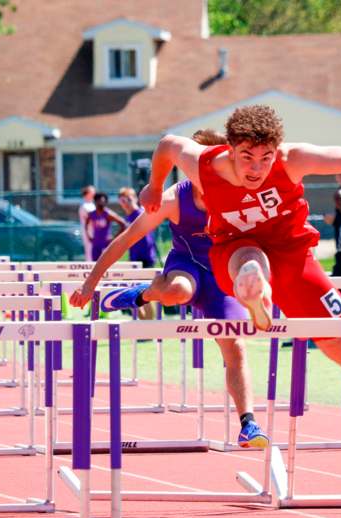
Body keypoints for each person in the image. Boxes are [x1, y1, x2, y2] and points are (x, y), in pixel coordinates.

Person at [140, 105, 341, 371]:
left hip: (292, 255)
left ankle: (259, 293)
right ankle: (257, 291)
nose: (256, 168)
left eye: (265, 158)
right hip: (233, 251)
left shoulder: (290, 159)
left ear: (275, 152)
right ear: (230, 149)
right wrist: (154, 187)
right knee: (250, 257)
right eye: (247, 157)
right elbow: (168, 145)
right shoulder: (204, 165)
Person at [70, 129, 268, 448]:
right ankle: (145, 293)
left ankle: (249, 424)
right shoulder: (175, 197)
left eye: (218, 165)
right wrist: (91, 283)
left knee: (235, 346)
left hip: (222, 274)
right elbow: (126, 239)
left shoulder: (240, 192)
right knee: (178, 292)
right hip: (186, 267)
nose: (213, 173)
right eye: (203, 165)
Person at [117, 187, 158, 267]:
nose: (126, 203)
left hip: (145, 257)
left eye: (129, 199)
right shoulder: (128, 217)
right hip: (135, 257)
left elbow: (147, 238)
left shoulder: (141, 213)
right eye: (123, 201)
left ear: (135, 199)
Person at [85, 192, 127, 261]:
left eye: (103, 201)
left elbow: (123, 224)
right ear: (95, 202)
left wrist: (114, 238)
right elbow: (86, 224)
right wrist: (88, 236)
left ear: (105, 202)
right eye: (99, 201)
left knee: (105, 263)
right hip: (96, 244)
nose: (101, 203)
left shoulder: (108, 214)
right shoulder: (91, 214)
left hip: (106, 243)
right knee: (94, 264)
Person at [78, 185, 96, 261]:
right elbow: (93, 217)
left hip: (95, 232)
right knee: (89, 251)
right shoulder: (84, 205)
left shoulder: (93, 204)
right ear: (87, 193)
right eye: (92, 192)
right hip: (88, 232)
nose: (94, 193)